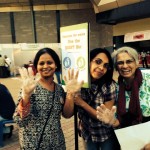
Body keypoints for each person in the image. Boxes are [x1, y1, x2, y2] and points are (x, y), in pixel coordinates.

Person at [13, 47, 83, 149]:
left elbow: (67, 114)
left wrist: (70, 94)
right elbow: (20, 121)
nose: (45, 66)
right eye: (41, 63)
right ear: (36, 66)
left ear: (56, 66)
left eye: (49, 62)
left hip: (57, 145)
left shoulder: (59, 89)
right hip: (33, 145)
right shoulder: (30, 86)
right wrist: (26, 96)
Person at [96, 46, 150, 149]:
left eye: (129, 61)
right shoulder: (115, 88)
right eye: (120, 63)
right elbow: (118, 121)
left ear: (137, 63)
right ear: (116, 67)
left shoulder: (148, 79)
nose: (125, 66)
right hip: (128, 141)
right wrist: (112, 122)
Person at [73, 48, 120, 150]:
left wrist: (82, 103)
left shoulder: (109, 86)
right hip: (88, 133)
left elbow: (103, 116)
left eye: (105, 65)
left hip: (104, 134)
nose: (101, 67)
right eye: (98, 61)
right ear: (88, 61)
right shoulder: (80, 83)